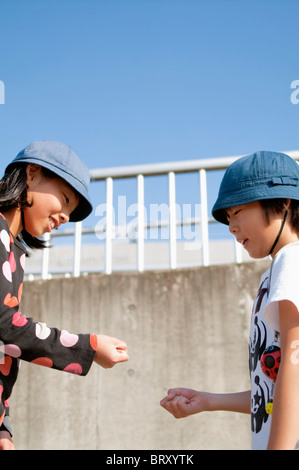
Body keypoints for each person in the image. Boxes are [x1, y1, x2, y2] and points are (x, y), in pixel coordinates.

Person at [160, 150, 299, 450]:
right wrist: (208, 401)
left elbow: (295, 368)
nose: (231, 227)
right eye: (227, 218)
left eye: (237, 212)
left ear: (284, 202)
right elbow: (273, 390)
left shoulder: (293, 261)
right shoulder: (273, 273)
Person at [0, 140, 129, 450]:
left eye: (71, 211)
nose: (66, 217)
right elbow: (5, 327)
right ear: (31, 174)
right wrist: (88, 347)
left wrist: (2, 425)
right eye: (66, 199)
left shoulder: (13, 247)